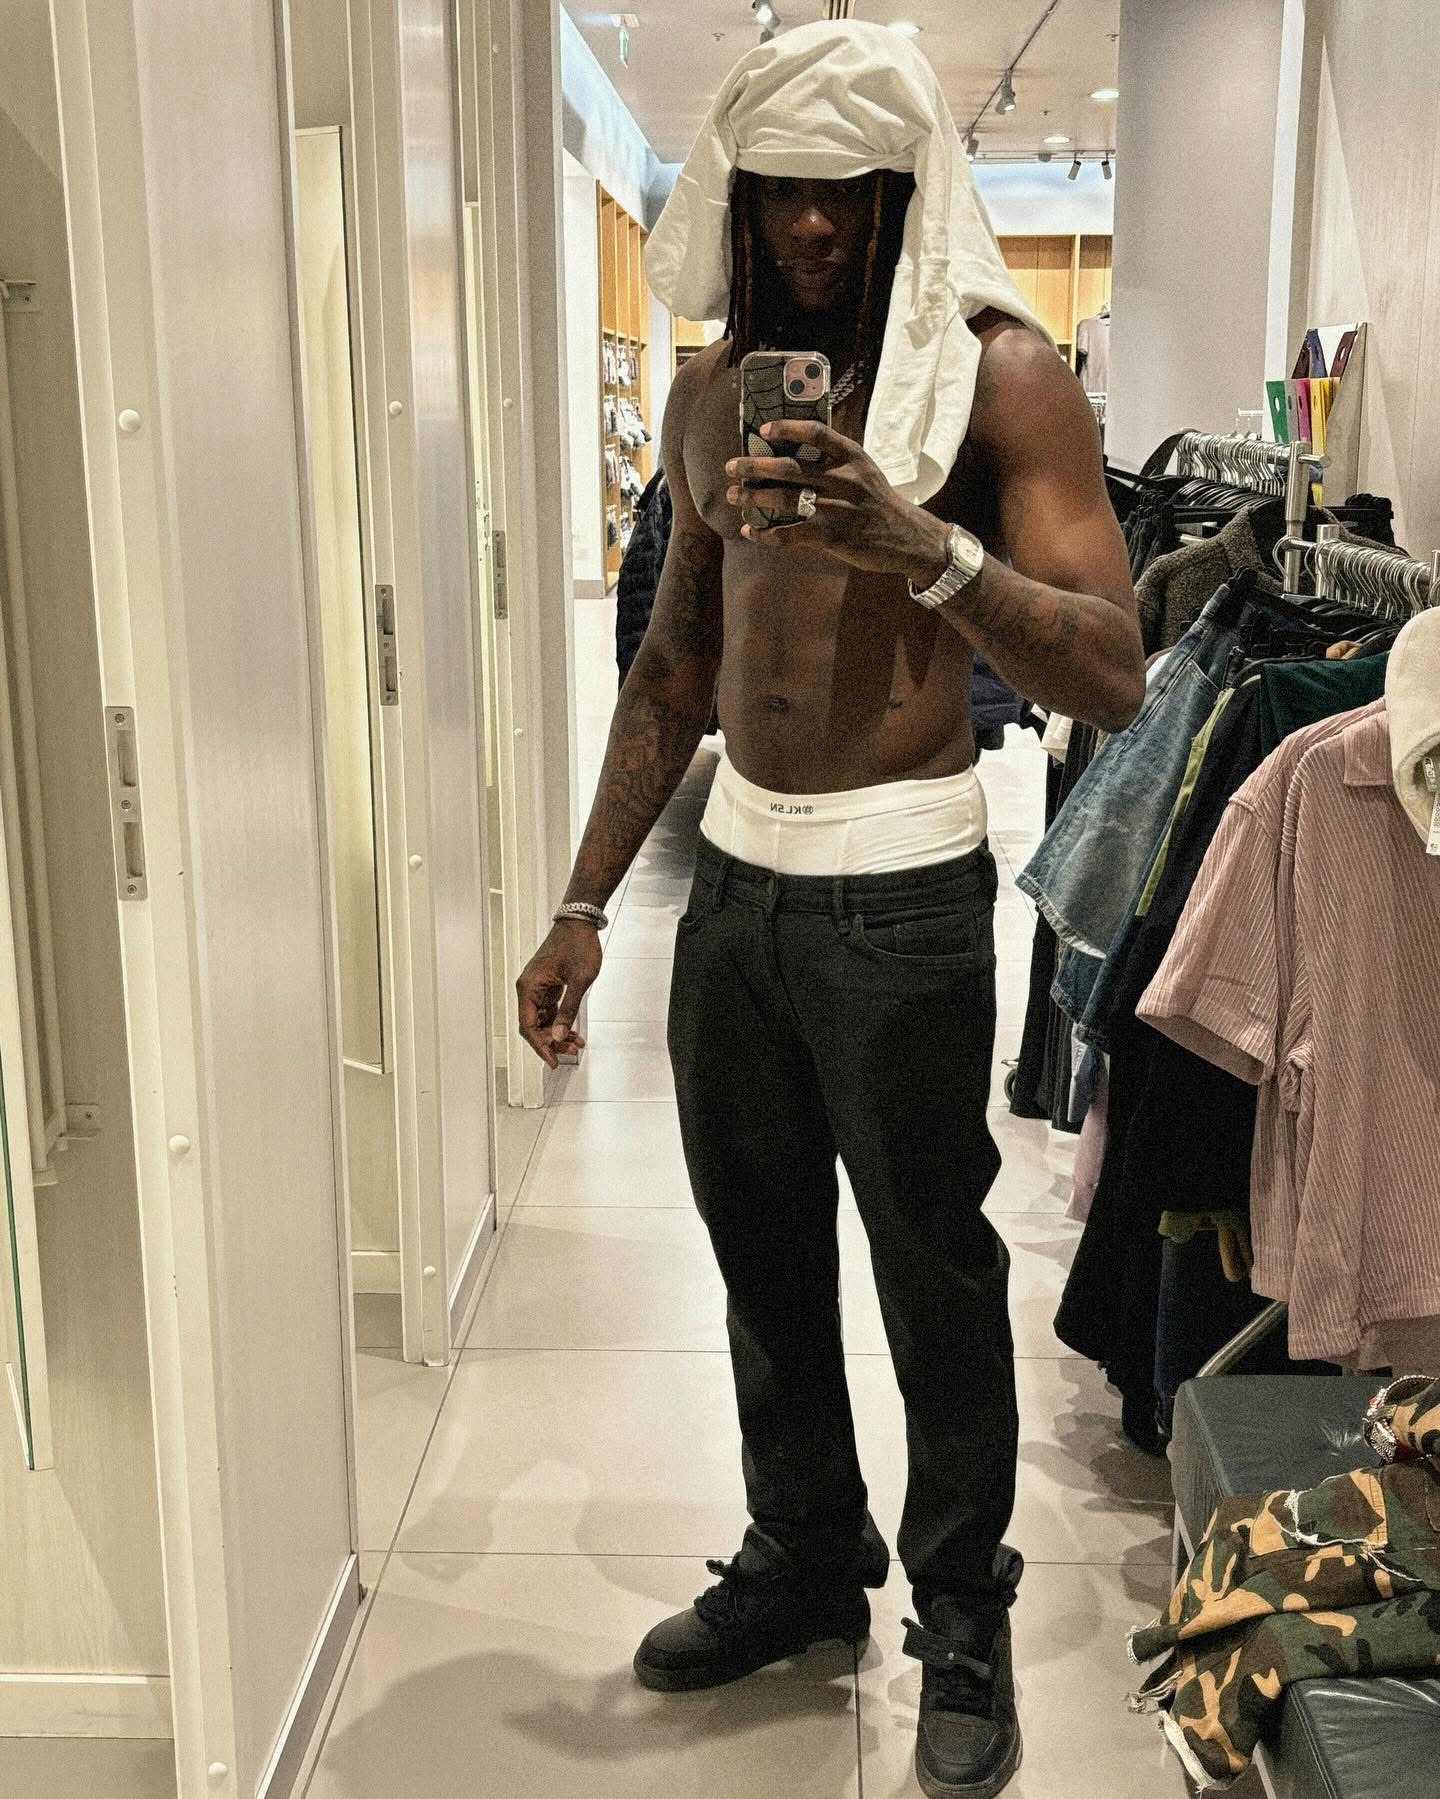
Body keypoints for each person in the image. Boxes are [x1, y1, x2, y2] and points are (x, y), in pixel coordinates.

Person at [516, 22, 1143, 1799]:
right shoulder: (713, 396)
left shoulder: (1003, 382)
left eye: (844, 192)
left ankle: (961, 1610)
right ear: (739, 195)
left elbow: (1114, 673)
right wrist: (583, 902)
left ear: (900, 194)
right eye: (780, 189)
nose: (808, 224)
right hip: (736, 894)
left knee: (934, 1275)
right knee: (761, 1254)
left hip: (903, 897)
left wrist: (920, 546)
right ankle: (805, 1552)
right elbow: (671, 668)